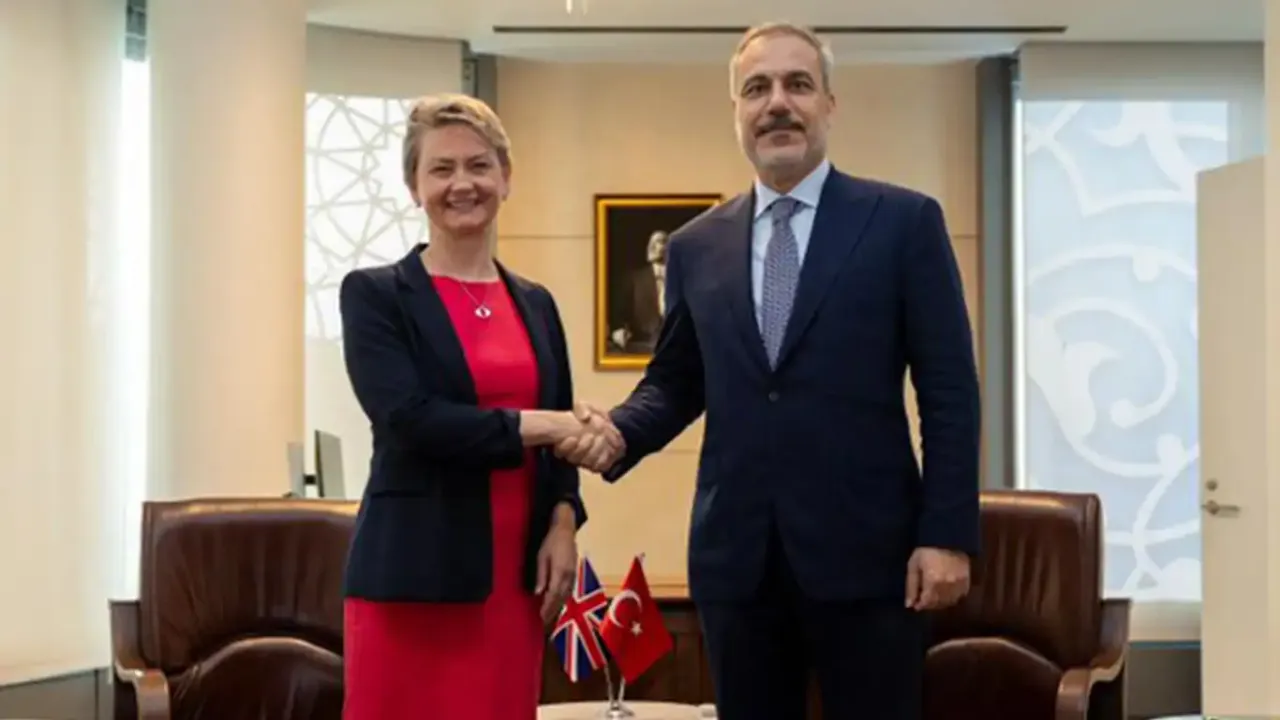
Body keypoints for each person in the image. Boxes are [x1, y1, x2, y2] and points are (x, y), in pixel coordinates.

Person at [557, 22, 981, 720]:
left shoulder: (903, 223)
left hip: (871, 561)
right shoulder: (696, 245)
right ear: (736, 111)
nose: (776, 103)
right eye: (756, 88)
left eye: (797, 84)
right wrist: (616, 433)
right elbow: (676, 382)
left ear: (829, 104)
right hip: (739, 566)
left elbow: (950, 393)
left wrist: (947, 534)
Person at [338, 93, 616, 720]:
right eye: (441, 168)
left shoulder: (536, 303)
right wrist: (549, 425)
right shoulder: (376, 296)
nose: (462, 183)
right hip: (412, 582)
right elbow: (409, 420)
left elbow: (559, 449)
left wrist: (564, 523)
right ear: (414, 187)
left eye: (479, 165)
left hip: (515, 584)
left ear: (506, 178)